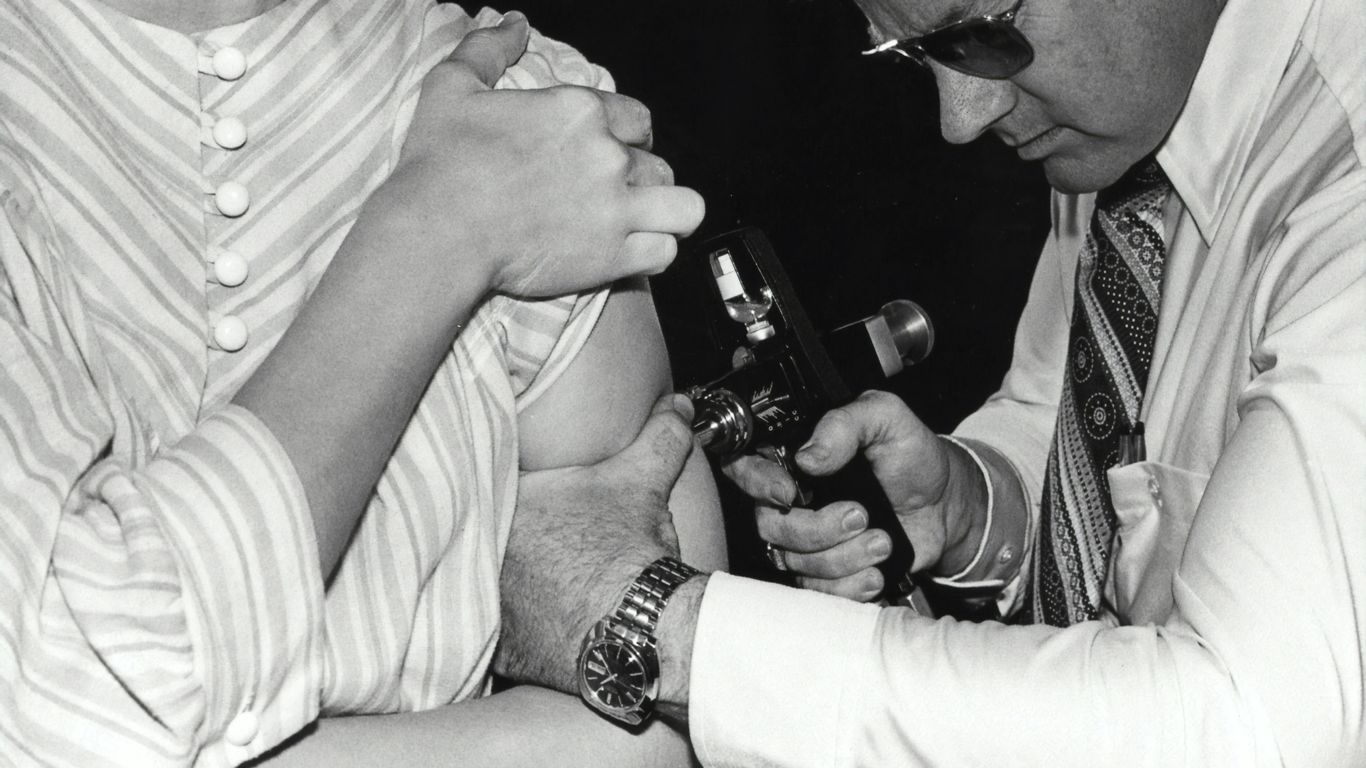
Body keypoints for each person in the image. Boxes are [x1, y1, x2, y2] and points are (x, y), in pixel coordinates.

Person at [496, 0, 1366, 763]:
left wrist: (666, 629)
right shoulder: (1128, 122)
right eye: (916, 53)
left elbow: (1255, 729)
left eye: (985, 33)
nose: (961, 114)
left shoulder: (1344, 183)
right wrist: (968, 507)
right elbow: (1083, 424)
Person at [0, 1, 726, 765]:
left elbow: (652, 717)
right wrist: (445, 227)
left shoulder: (530, 113)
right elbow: (56, 710)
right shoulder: (511, 149)